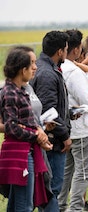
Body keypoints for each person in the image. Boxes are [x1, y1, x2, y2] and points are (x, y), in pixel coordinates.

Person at [0, 46, 52, 211]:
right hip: (19, 153)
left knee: (16, 202)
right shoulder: (10, 93)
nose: (34, 69)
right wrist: (36, 135)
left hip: (26, 149)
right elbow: (11, 126)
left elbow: (26, 122)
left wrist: (39, 131)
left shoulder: (20, 90)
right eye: (31, 66)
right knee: (25, 205)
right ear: (23, 70)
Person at [57, 29, 88, 212]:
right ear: (76, 49)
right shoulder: (73, 72)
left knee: (68, 170)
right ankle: (75, 208)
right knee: (83, 171)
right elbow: (87, 99)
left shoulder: (60, 67)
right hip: (81, 129)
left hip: (68, 128)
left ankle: (60, 205)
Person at [29, 30, 72, 211]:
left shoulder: (46, 68)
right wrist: (64, 135)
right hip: (53, 142)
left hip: (51, 138)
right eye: (66, 49)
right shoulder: (47, 73)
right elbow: (48, 110)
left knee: (48, 190)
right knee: (51, 190)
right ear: (60, 51)